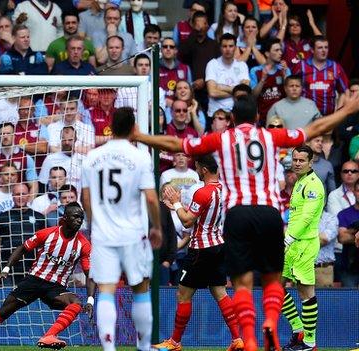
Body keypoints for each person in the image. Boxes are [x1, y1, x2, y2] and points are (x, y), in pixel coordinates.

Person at [132, 93, 359, 351]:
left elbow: (175, 144)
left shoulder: (221, 138)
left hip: (238, 214)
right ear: (258, 117)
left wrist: (140, 136)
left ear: (230, 119)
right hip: (269, 212)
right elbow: (314, 128)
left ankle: (249, 339)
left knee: (242, 284)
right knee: (274, 280)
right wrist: (346, 110)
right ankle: (271, 321)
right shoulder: (270, 136)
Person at [0, 202, 95, 351]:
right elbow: (22, 249)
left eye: (81, 218)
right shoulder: (47, 234)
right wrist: (5, 269)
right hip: (34, 280)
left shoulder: (83, 244)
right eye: (75, 216)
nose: (79, 220)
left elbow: (90, 275)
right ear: (65, 218)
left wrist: (90, 300)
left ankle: (49, 336)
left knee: (75, 302)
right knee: (4, 312)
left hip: (56, 287)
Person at [81, 107, 162, 351]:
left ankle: (109, 348)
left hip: (103, 235)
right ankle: (144, 347)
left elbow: (86, 199)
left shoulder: (91, 157)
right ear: (133, 127)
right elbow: (150, 198)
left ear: (110, 125)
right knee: (140, 287)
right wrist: (156, 226)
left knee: (105, 289)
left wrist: (96, 224)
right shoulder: (140, 156)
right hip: (133, 234)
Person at [155, 154, 244, 351]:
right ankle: (237, 339)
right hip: (218, 245)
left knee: (183, 295)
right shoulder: (223, 190)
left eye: (196, 167)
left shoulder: (202, 192)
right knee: (220, 292)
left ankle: (175, 342)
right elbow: (200, 215)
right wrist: (180, 207)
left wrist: (177, 203)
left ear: (203, 169)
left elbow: (187, 221)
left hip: (200, 249)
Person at [280, 146, 325, 351]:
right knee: (276, 287)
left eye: (301, 160)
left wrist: (288, 239)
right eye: (295, 159)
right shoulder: (299, 182)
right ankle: (298, 329)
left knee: (306, 292)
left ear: (311, 161)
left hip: (304, 244)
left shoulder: (314, 185)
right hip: (293, 243)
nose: (297, 163)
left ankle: (310, 341)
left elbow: (306, 217)